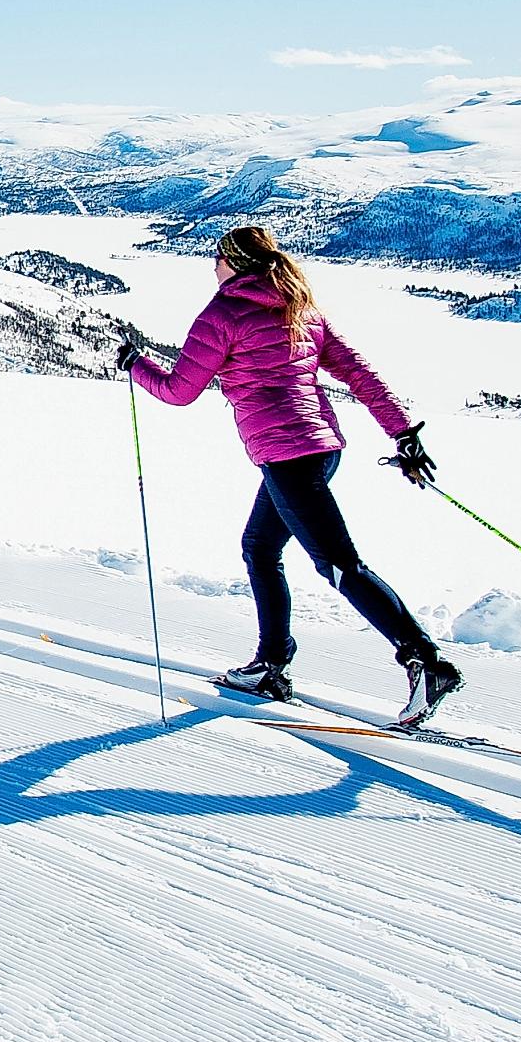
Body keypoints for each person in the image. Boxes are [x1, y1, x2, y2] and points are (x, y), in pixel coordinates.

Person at [118, 225, 464, 729]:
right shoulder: (300, 305)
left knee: (341, 567)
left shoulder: (224, 313)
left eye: (216, 258)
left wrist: (135, 364)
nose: (212, 267)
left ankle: (424, 662)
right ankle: (270, 664)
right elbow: (359, 374)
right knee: (259, 547)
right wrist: (402, 433)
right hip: (321, 448)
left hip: (287, 456)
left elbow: (178, 391)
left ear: (233, 263)